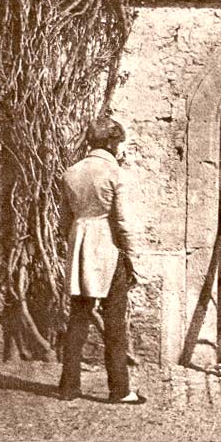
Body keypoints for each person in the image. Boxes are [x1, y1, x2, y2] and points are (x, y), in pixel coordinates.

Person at [58, 117, 143, 403]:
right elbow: (123, 222)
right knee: (115, 321)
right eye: (118, 143)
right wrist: (132, 257)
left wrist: (78, 240)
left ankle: (68, 387)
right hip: (109, 249)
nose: (119, 148)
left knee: (78, 318)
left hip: (80, 246)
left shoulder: (71, 173)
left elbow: (64, 221)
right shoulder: (114, 173)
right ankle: (120, 390)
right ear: (111, 143)